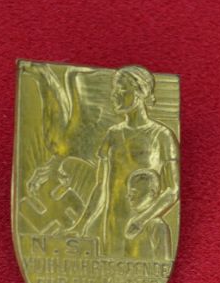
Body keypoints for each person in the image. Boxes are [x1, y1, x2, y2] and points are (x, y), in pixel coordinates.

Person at [71, 65, 179, 257]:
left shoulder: (162, 136)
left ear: (139, 92)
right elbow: (101, 187)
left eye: (121, 89)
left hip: (145, 226)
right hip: (113, 226)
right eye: (114, 89)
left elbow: (172, 190)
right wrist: (80, 226)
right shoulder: (113, 134)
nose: (114, 95)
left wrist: (141, 220)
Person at [126, 169, 172, 260]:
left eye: (133, 192)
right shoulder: (132, 221)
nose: (129, 197)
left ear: (152, 193)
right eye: (128, 193)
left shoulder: (157, 225)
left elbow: (162, 262)